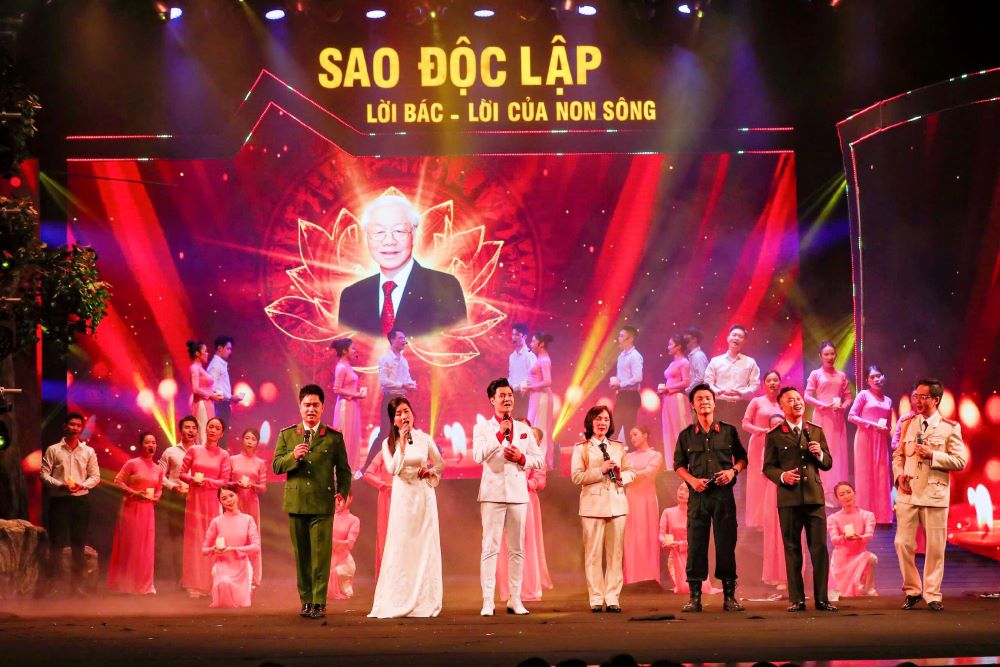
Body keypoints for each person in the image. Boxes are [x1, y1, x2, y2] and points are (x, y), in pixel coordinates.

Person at [338, 193, 467, 338]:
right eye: (379, 232)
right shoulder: (352, 295)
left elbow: (455, 343)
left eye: (399, 231)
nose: (389, 241)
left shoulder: (445, 287)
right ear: (367, 238)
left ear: (414, 236)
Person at [272, 384, 352, 619]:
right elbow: (276, 466)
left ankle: (319, 602)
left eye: (315, 405)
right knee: (302, 556)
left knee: (321, 555)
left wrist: (342, 492)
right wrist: (293, 456)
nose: (311, 409)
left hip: (321, 503)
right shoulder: (288, 435)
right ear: (300, 407)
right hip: (297, 503)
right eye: (307, 405)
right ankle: (306, 601)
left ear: (322, 407)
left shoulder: (333, 437)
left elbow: (344, 471)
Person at [893, 378, 967, 612]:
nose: (918, 401)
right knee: (902, 543)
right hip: (907, 493)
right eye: (916, 396)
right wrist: (898, 475)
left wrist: (933, 455)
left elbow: (960, 461)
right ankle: (913, 590)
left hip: (934, 494)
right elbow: (898, 455)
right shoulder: (907, 422)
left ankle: (932, 594)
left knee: (935, 548)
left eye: (923, 397)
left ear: (936, 400)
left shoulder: (950, 427)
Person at [472, 378, 545, 616]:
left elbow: (539, 459)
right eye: (502, 395)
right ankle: (488, 601)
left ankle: (515, 599)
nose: (507, 399)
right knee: (490, 548)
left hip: (517, 494)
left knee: (517, 549)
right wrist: (498, 435)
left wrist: (522, 459)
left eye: (510, 395)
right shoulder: (482, 428)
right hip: (492, 494)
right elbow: (477, 456)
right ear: (492, 400)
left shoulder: (524, 430)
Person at [369, 397, 446, 617]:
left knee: (424, 545)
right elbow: (393, 469)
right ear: (393, 420)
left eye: (407, 411)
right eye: (399, 414)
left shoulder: (424, 438)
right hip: (403, 499)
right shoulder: (388, 444)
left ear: (413, 414)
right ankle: (399, 597)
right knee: (402, 544)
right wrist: (401, 445)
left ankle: (425, 598)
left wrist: (430, 471)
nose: (404, 416)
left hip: (423, 497)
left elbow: (440, 463)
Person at [673, 384, 747, 612]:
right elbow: (678, 465)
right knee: (696, 545)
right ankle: (695, 598)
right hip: (698, 496)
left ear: (714, 403)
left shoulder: (728, 431)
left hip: (723, 496)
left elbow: (742, 459)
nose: (704, 402)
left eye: (708, 398)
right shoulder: (686, 435)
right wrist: (692, 481)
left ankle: (729, 597)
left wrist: (732, 472)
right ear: (693, 405)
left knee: (726, 544)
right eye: (699, 399)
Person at [763, 387, 837, 612]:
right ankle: (797, 599)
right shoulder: (774, 435)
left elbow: (827, 463)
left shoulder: (814, 430)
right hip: (789, 500)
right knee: (792, 549)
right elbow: (768, 467)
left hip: (814, 498)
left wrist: (819, 453)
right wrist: (783, 476)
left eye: (798, 399)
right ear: (781, 406)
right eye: (790, 400)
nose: (796, 402)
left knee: (819, 549)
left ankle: (822, 599)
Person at [571, 405, 636, 612]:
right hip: (592, 507)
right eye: (598, 419)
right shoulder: (581, 448)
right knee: (593, 555)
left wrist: (621, 476)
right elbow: (577, 477)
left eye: (606, 419)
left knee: (615, 555)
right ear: (591, 422)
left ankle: (613, 597)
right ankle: (596, 598)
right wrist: (601, 470)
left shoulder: (618, 447)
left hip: (617, 505)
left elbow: (631, 471)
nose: (602, 423)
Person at [40, 412, 100, 595]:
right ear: (65, 426)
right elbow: (44, 474)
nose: (75, 428)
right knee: (56, 543)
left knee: (78, 543)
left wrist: (83, 485)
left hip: (80, 500)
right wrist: (61, 485)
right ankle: (53, 584)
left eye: (78, 425)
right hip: (60, 500)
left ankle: (76, 586)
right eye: (72, 424)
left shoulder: (88, 451)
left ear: (81, 429)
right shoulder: (53, 449)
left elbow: (95, 476)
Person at [498, 426, 553, 603]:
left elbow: (540, 481)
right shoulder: (507, 452)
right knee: (508, 543)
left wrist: (525, 484)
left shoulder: (534, 457)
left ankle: (527, 587)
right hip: (507, 498)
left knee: (527, 543)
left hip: (527, 499)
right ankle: (509, 588)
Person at [179, 416, 232, 597]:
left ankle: (211, 582)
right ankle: (193, 583)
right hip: (195, 500)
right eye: (210, 426)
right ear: (206, 428)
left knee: (212, 540)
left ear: (221, 433)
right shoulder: (194, 450)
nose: (212, 430)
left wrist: (207, 482)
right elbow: (182, 473)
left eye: (217, 428)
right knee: (194, 541)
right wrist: (193, 480)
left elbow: (224, 481)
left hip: (212, 501)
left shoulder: (224, 455)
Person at [108, 431, 164, 595]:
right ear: (141, 445)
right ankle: (127, 583)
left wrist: (157, 497)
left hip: (148, 509)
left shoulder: (158, 469)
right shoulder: (132, 463)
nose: (151, 445)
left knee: (146, 547)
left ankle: (144, 584)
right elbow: (118, 481)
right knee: (131, 544)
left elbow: (159, 488)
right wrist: (133, 492)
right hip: (131, 507)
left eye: (153, 443)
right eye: (147, 442)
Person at [358, 329, 416, 477]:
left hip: (403, 398)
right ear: (392, 340)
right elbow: (383, 381)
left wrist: (410, 384)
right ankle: (366, 469)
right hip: (390, 399)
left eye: (404, 338)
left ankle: (409, 467)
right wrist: (402, 384)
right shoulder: (385, 359)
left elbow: (407, 378)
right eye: (401, 338)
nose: (404, 341)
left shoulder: (403, 360)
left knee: (408, 431)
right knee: (385, 433)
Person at [804, 341, 852, 500]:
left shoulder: (841, 375)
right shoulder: (815, 374)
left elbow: (848, 398)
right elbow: (807, 396)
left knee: (837, 453)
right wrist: (822, 405)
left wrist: (843, 407)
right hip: (821, 417)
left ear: (836, 355)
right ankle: (821, 491)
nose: (830, 357)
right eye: (826, 354)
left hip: (837, 419)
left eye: (832, 354)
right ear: (820, 356)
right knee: (822, 450)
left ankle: (838, 492)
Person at [201, 484, 260, 608]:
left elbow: (256, 547)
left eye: (231, 495)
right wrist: (214, 549)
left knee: (241, 603)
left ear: (237, 496)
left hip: (241, 567)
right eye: (224, 498)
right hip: (223, 567)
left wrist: (233, 549)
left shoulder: (248, 520)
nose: (229, 500)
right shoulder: (216, 522)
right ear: (220, 502)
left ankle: (247, 589)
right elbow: (204, 550)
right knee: (224, 584)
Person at [848, 365, 894, 523]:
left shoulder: (888, 400)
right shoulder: (863, 395)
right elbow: (851, 416)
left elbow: (889, 424)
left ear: (884, 377)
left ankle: (882, 516)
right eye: (872, 377)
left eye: (879, 375)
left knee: (881, 476)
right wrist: (871, 425)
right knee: (865, 476)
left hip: (880, 440)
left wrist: (886, 429)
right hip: (864, 438)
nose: (876, 379)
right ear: (867, 380)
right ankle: (864, 516)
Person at [158, 415, 198, 588]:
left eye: (194, 428)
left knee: (196, 538)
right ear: (180, 430)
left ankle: (196, 576)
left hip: (197, 499)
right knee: (177, 538)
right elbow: (159, 475)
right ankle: (181, 578)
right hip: (177, 498)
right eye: (187, 427)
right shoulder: (170, 452)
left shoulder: (201, 451)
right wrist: (173, 487)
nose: (191, 430)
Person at [742, 370, 783, 530]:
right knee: (758, 482)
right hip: (758, 445)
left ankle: (774, 518)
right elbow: (745, 423)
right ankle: (759, 520)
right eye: (769, 380)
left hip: (778, 447)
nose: (772, 383)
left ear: (780, 383)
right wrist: (760, 431)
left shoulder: (784, 402)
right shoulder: (756, 401)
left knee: (774, 482)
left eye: (775, 380)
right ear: (764, 384)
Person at [623, 425, 663, 585]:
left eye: (635, 434)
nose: (632, 438)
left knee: (648, 534)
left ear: (645, 435)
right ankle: (632, 577)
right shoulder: (627, 456)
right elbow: (622, 475)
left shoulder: (656, 455)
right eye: (631, 436)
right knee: (631, 535)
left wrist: (631, 475)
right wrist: (629, 475)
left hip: (647, 498)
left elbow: (649, 473)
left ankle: (650, 576)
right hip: (631, 497)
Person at [229, 427, 268, 589]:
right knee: (234, 536)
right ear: (242, 439)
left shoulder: (260, 463)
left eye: (253, 439)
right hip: (234, 502)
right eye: (247, 438)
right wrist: (235, 484)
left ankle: (251, 575)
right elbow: (226, 482)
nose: (250, 441)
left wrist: (252, 485)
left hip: (251, 502)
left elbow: (263, 487)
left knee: (251, 537)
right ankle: (233, 573)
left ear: (257, 443)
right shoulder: (232, 459)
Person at [704, 324, 760, 434]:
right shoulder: (716, 361)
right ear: (728, 338)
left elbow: (755, 386)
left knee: (740, 439)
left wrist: (741, 392)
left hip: (740, 407)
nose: (736, 338)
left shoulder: (750, 362)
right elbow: (707, 382)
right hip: (719, 405)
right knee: (718, 439)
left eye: (740, 336)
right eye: (734, 335)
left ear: (744, 341)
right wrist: (718, 391)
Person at [827, 481, 877, 600]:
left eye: (849, 492)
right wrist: (844, 537)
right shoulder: (833, 518)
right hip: (842, 558)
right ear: (837, 499)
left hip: (859, 554)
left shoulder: (867, 515)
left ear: (855, 493)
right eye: (842, 494)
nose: (846, 496)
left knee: (872, 558)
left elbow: (869, 535)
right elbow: (834, 539)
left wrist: (860, 537)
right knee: (838, 596)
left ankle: (868, 588)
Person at [760, 412, 791, 589]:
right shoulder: (768, 446)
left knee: (791, 531)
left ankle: (792, 575)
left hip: (793, 488)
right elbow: (764, 470)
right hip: (774, 490)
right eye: (774, 425)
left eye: (780, 424)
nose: (777, 427)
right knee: (775, 531)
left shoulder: (796, 441)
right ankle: (779, 576)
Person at [331, 338, 366, 469]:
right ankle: (340, 470)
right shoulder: (341, 367)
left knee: (353, 436)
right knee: (345, 436)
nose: (355, 351)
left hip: (352, 405)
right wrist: (355, 394)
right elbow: (336, 389)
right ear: (345, 351)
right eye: (353, 348)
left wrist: (357, 394)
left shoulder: (348, 366)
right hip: (344, 406)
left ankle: (350, 468)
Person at [658, 333, 691, 466]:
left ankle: (686, 463)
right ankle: (672, 464)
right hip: (668, 399)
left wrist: (669, 388)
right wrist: (665, 390)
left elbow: (686, 382)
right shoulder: (672, 363)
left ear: (679, 346)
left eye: (671, 344)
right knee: (669, 430)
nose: (668, 347)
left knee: (680, 428)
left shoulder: (684, 362)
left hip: (678, 398)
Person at [524, 332, 555, 468]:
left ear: (541, 344)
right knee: (534, 426)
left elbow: (548, 381)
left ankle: (541, 463)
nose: (531, 344)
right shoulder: (540, 359)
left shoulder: (544, 360)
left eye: (533, 341)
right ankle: (536, 460)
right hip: (536, 397)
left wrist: (531, 387)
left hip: (542, 398)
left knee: (540, 428)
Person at [362, 448, 393, 583]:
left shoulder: (408, 451)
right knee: (385, 536)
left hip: (405, 499)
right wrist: (382, 485)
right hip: (387, 498)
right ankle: (386, 578)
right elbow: (368, 474)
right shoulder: (384, 452)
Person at [610, 326, 643, 440]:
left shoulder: (635, 356)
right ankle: (610, 451)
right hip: (622, 396)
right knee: (614, 429)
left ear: (630, 339)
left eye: (621, 336)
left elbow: (638, 377)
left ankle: (632, 451)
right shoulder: (621, 356)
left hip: (631, 397)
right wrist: (616, 383)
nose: (619, 338)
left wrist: (621, 384)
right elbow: (621, 375)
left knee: (629, 430)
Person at [659, 482, 691, 595]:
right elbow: (661, 534)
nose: (682, 492)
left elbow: (698, 539)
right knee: (682, 588)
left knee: (691, 587)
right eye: (680, 489)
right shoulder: (668, 512)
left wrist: (681, 544)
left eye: (687, 491)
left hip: (693, 556)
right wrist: (665, 541)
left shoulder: (695, 514)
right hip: (675, 556)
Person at [187, 340, 222, 444]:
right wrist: (211, 396)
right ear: (197, 353)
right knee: (203, 433)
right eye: (205, 351)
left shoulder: (200, 368)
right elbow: (195, 389)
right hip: (202, 404)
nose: (207, 353)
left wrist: (213, 396)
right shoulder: (194, 368)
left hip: (208, 403)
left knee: (209, 432)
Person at [329, 492, 361, 600]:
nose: (340, 502)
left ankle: (342, 583)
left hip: (343, 561)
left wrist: (331, 542)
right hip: (327, 558)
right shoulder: (328, 517)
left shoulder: (354, 520)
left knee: (346, 591)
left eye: (344, 498)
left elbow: (350, 543)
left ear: (351, 499)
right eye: (338, 498)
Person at [206, 336, 242, 430]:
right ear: (220, 348)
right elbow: (213, 388)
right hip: (218, 405)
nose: (230, 352)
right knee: (220, 433)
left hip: (223, 405)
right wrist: (230, 397)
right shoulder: (215, 365)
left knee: (223, 433)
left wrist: (230, 397)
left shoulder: (221, 364)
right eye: (228, 348)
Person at [508, 323, 537, 418]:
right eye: (513, 334)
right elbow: (511, 375)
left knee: (522, 421)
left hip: (524, 395)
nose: (514, 337)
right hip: (512, 395)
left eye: (517, 335)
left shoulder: (529, 355)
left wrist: (517, 387)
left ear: (524, 336)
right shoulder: (512, 356)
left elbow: (533, 378)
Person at [684, 328, 709, 395]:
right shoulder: (693, 355)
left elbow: (701, 377)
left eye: (687, 337)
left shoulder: (698, 356)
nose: (685, 339)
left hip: (699, 393)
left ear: (694, 339)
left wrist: (688, 389)